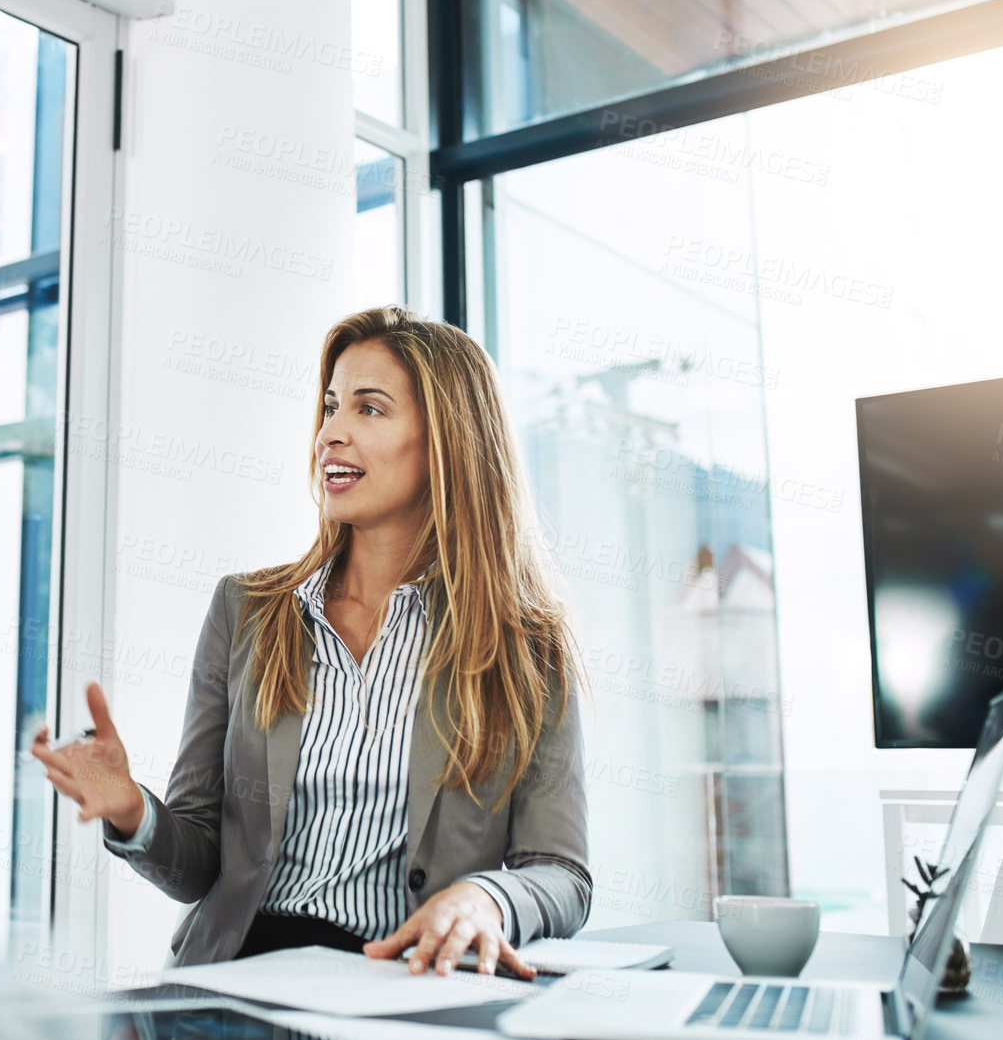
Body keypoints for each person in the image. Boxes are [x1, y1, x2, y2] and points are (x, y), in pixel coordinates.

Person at [32, 305, 589, 979]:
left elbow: (561, 873)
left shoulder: (525, 646)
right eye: (329, 407)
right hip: (242, 971)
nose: (331, 433)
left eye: (369, 410)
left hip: (406, 984)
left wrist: (486, 897)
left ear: (447, 441)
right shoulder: (247, 613)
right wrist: (131, 810)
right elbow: (198, 862)